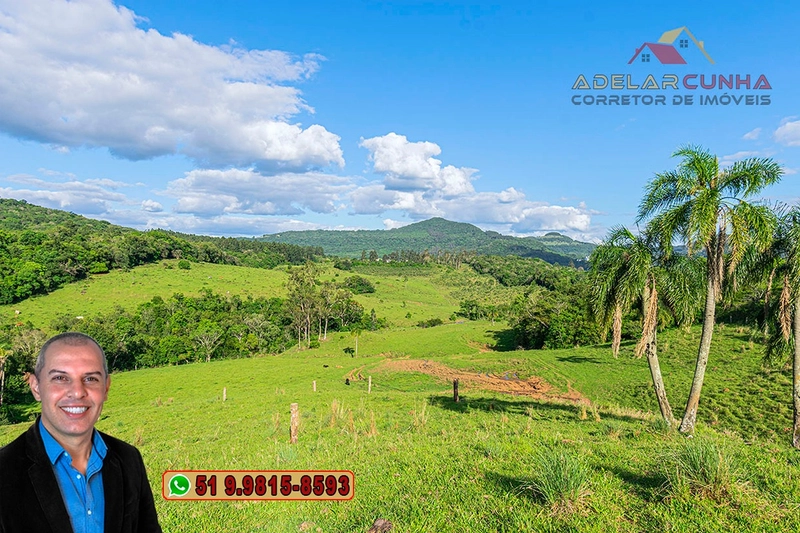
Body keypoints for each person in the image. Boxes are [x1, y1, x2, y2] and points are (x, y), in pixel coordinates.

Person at [0, 332, 162, 533]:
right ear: (36, 387)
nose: (77, 392)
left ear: (106, 388)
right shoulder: (4, 470)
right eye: (60, 378)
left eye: (91, 378)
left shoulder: (129, 459)